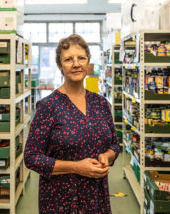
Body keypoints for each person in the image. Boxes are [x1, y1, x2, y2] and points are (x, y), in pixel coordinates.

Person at [24, 34, 120, 214]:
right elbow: (31, 157)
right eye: (68, 59)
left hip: (97, 198)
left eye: (81, 58)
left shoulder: (101, 104)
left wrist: (107, 157)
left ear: (88, 62)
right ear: (60, 65)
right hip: (60, 201)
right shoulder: (48, 106)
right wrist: (76, 167)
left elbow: (114, 145)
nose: (76, 64)